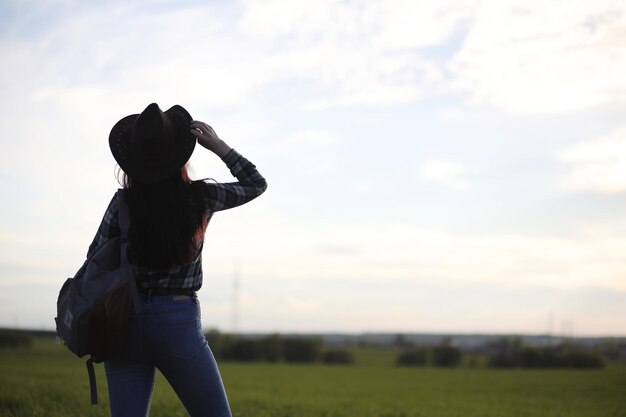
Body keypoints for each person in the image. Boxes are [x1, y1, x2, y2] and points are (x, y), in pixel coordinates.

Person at [88, 103, 267, 417]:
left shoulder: (122, 203)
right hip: (176, 322)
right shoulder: (201, 198)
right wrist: (219, 146)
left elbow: (95, 258)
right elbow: (255, 183)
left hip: (124, 323)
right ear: (179, 156)